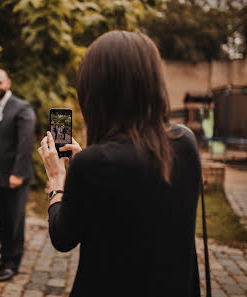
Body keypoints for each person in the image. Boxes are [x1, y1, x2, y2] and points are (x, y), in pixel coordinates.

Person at [38, 31, 201, 297]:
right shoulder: (186, 141)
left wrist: (57, 181)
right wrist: (90, 160)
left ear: (95, 91)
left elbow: (63, 237)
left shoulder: (93, 166)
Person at [0, 68, 36, 282]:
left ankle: (13, 263)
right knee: (2, 219)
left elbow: (25, 144)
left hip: (15, 176)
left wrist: (18, 173)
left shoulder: (22, 108)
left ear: (8, 82)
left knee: (15, 220)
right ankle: (4, 258)